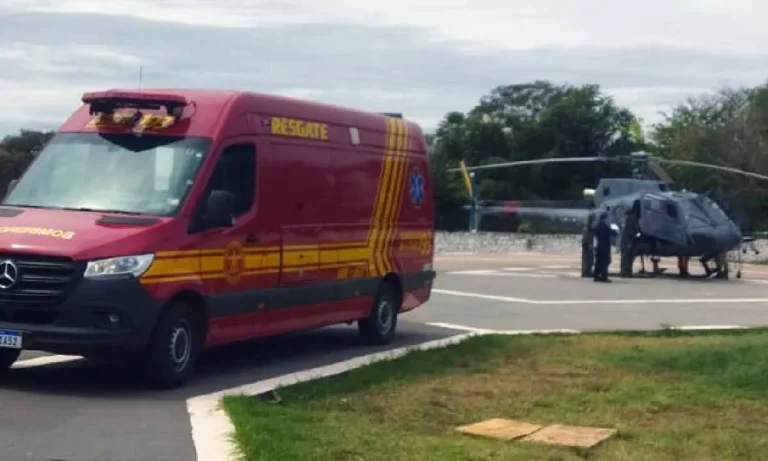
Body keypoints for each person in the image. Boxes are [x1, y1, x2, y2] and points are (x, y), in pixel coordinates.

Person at [593, 212, 618, 282]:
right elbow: (614, 233)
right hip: (605, 247)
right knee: (605, 262)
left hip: (598, 246)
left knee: (598, 261)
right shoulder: (605, 226)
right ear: (605, 219)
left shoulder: (597, 226)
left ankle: (596, 275)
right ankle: (604, 276)